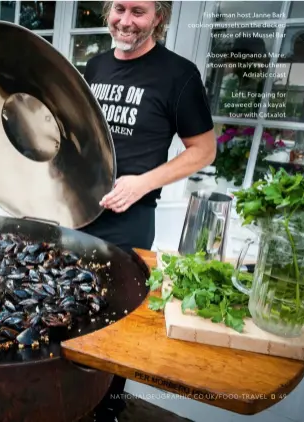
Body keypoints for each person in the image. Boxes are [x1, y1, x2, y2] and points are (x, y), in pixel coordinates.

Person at [78, 2, 217, 420]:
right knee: (70, 312)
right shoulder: (94, 66)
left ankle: (106, 413)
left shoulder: (179, 75)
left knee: (115, 328)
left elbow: (204, 150)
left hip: (129, 221)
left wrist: (143, 182)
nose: (125, 20)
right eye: (119, 8)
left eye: (139, 11)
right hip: (77, 213)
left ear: (159, 17)